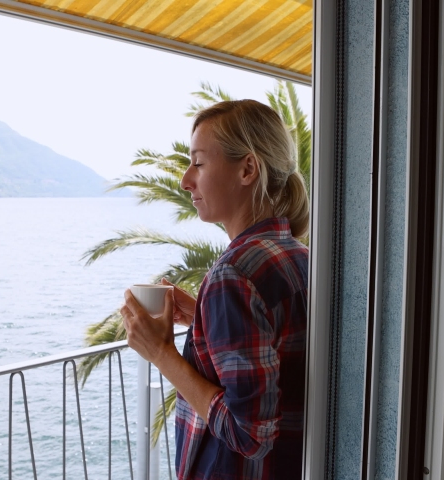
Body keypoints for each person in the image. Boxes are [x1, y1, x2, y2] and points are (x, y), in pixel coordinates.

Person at [120, 99, 309, 479]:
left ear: (247, 169)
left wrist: (161, 353)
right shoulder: (295, 254)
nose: (185, 180)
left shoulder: (234, 274)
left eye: (198, 163)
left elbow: (251, 434)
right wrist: (204, 318)